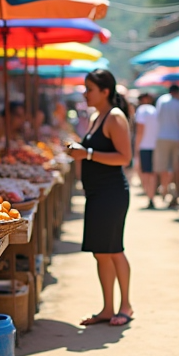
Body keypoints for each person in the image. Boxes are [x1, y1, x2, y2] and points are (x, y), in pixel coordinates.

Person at [67, 69, 134, 327]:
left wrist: (88, 154)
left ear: (105, 91)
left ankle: (125, 305)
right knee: (101, 252)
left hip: (112, 192)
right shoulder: (97, 116)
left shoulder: (115, 117)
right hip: (97, 193)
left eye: (89, 89)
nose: (85, 93)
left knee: (114, 249)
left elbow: (124, 158)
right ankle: (108, 308)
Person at [153, 84, 179, 208]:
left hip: (162, 137)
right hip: (176, 137)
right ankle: (175, 193)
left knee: (163, 167)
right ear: (177, 92)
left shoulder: (161, 101)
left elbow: (156, 118)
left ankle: (164, 189)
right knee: (175, 167)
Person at [133, 92, 159, 209]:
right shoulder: (155, 110)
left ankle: (150, 197)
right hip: (155, 145)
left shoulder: (141, 110)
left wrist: (136, 147)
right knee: (152, 173)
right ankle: (151, 196)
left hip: (144, 146)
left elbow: (140, 130)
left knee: (145, 174)